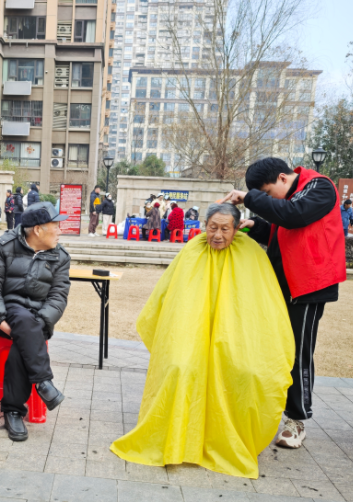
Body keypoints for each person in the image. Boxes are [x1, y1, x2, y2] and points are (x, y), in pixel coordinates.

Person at [111, 203, 295, 479]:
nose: (217, 235)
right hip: (190, 331)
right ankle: (177, 439)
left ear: (237, 228)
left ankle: (228, 441)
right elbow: (171, 295)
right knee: (179, 366)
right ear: (204, 226)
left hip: (236, 335)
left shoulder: (252, 254)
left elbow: (263, 305)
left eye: (225, 229)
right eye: (212, 228)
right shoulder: (192, 250)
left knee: (248, 373)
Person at [224, 157, 346, 449]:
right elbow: (282, 231)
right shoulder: (291, 197)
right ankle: (265, 407)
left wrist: (250, 198)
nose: (268, 199)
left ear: (282, 177)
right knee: (271, 349)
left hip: (308, 287)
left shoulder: (319, 186)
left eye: (267, 193)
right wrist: (255, 226)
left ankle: (297, 419)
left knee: (297, 353)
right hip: (282, 284)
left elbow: (293, 216)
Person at [0, 202, 70, 441]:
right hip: (8, 314)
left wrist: (41, 322)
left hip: (39, 319)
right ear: (38, 230)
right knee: (22, 319)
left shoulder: (60, 256)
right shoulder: (4, 246)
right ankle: (43, 382)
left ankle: (12, 410)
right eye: (56, 225)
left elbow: (58, 296)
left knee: (26, 332)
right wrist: (0, 320)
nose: (60, 231)